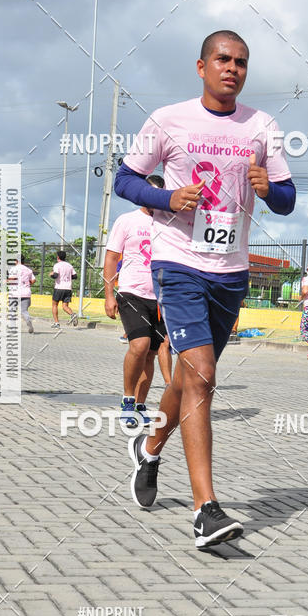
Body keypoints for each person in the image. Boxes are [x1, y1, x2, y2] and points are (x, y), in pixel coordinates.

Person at [114, 29, 295, 548]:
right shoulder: (167, 120)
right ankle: (205, 510)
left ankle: (150, 449)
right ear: (201, 66)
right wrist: (168, 197)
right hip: (178, 263)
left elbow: (287, 197)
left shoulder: (262, 126)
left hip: (230, 272)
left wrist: (270, 189)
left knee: (192, 382)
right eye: (222, 59)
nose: (232, 68)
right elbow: (125, 179)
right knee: (203, 374)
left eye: (241, 61)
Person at [103, 175, 172, 434]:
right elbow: (111, 258)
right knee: (139, 345)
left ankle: (141, 406)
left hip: (160, 298)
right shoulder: (127, 221)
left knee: (152, 352)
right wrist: (110, 294)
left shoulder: (169, 222)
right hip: (131, 291)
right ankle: (128, 400)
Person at [8, 255, 36, 333]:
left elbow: (13, 278)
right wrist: (26, 283)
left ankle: (12, 329)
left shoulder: (13, 269)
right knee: (24, 311)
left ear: (16, 261)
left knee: (12, 310)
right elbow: (33, 280)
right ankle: (28, 320)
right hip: (26, 293)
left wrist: (6, 281)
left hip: (14, 293)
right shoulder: (28, 270)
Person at [51, 250, 78, 327]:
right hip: (68, 288)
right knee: (65, 306)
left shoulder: (57, 265)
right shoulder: (69, 265)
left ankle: (57, 323)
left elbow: (55, 275)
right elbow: (75, 276)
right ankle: (72, 314)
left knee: (54, 305)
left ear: (58, 257)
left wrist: (51, 274)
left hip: (59, 288)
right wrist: (68, 277)